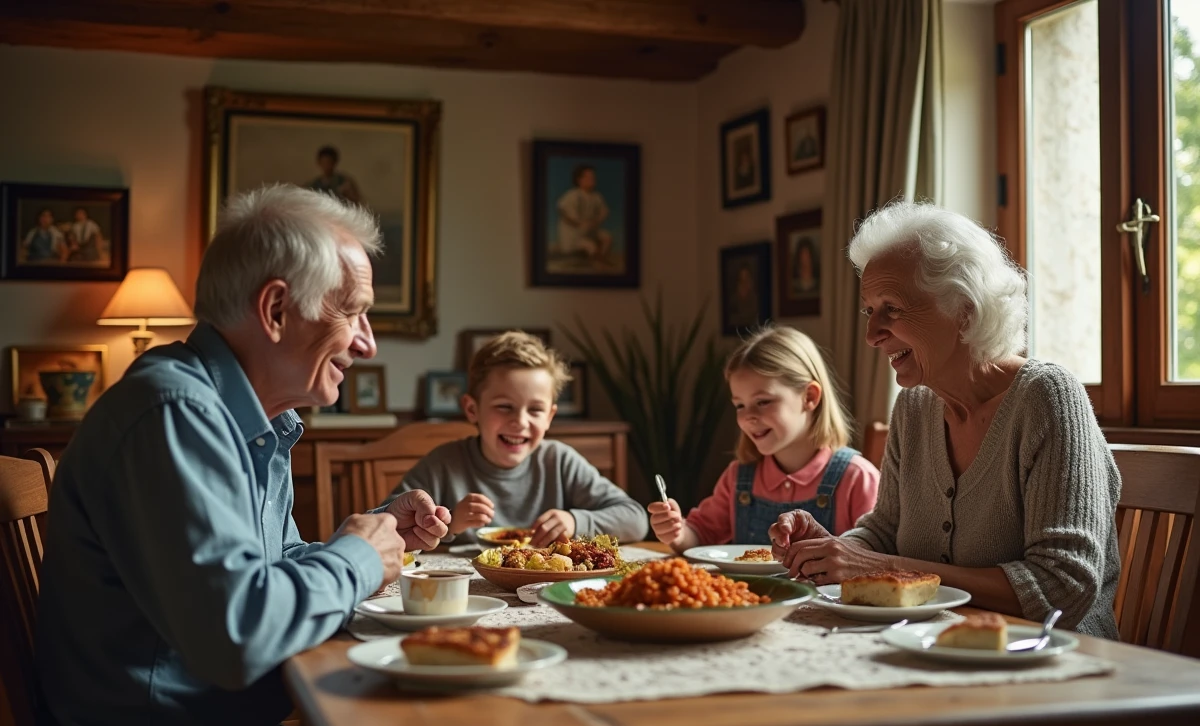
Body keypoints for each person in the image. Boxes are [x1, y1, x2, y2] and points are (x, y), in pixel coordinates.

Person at [36, 184, 453, 726]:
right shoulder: (173, 415)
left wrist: (373, 537)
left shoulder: (249, 420)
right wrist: (358, 559)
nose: (367, 342)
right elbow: (240, 635)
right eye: (352, 312)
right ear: (276, 309)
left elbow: (266, 575)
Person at [769, 200, 1121, 639]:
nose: (872, 334)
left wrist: (878, 566)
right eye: (869, 310)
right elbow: (885, 532)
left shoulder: (1047, 398)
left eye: (892, 308)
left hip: (1052, 658)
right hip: (932, 645)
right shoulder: (914, 407)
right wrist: (833, 551)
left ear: (964, 309)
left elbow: (1062, 588)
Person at [391, 331, 648, 547]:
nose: (521, 422)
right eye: (504, 407)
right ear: (472, 409)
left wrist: (575, 522)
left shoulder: (559, 461)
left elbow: (635, 520)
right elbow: (386, 525)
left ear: (549, 417)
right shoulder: (443, 464)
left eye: (535, 410)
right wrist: (450, 523)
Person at [648, 326, 879, 550]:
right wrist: (677, 532)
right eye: (740, 405)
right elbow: (701, 535)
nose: (748, 416)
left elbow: (874, 558)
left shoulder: (857, 478)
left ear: (809, 397)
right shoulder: (738, 478)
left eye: (763, 402)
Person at [555, 164, 611, 260]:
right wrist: (579, 224)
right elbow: (563, 212)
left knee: (607, 238)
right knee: (591, 246)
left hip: (588, 231)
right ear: (579, 180)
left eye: (593, 177)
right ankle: (594, 262)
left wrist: (596, 221)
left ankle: (601, 260)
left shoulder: (596, 196)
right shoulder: (572, 195)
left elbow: (604, 211)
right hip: (572, 235)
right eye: (589, 177)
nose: (593, 179)